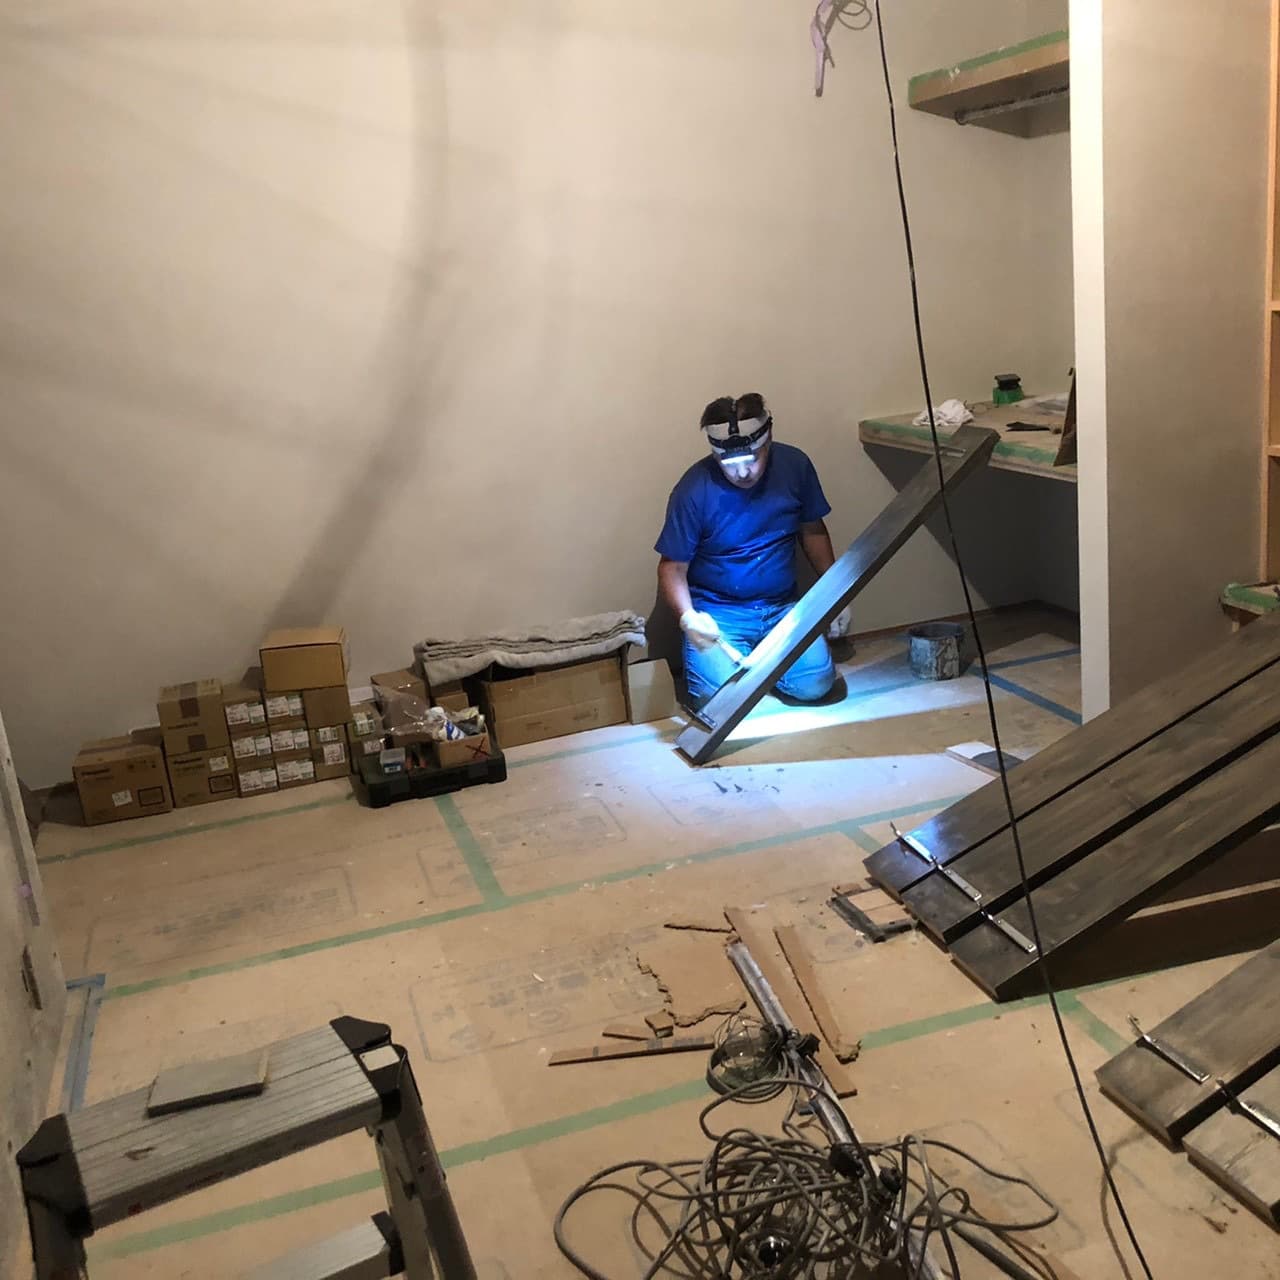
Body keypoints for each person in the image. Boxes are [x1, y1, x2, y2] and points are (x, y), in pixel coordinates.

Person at [655, 393, 851, 709]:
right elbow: (672, 567)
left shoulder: (794, 466)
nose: (742, 473)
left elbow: (812, 531)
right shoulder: (694, 489)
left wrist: (835, 591)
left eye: (752, 460)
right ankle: (751, 667)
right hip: (720, 617)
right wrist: (688, 618)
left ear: (768, 439)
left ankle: (766, 665)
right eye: (730, 464)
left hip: (782, 609)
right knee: (716, 702)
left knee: (816, 684)